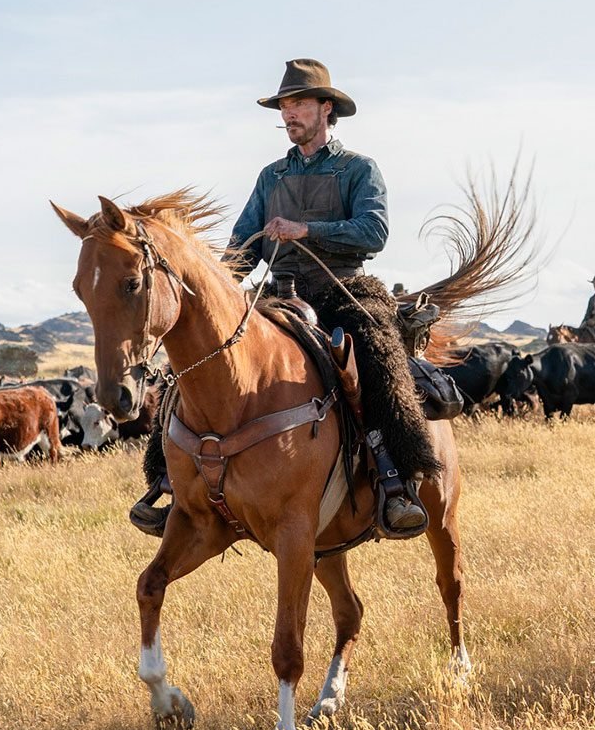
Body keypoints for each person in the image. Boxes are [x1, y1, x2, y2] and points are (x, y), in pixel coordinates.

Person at [131, 59, 433, 538]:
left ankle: (398, 480)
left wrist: (306, 230)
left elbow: (373, 232)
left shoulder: (358, 169)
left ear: (325, 109)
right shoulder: (271, 177)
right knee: (195, 360)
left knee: (377, 356)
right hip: (278, 294)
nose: (288, 115)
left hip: (343, 287)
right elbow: (240, 247)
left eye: (298, 105)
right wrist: (222, 289)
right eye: (284, 107)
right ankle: (170, 485)